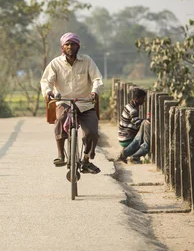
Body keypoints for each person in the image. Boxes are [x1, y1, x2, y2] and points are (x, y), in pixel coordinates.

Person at [40, 32, 104, 174]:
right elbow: (46, 81)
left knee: (92, 132)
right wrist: (48, 92)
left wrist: (95, 91)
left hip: (85, 102)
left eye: (73, 44)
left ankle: (86, 159)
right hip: (64, 102)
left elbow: (97, 79)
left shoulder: (87, 61)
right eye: (67, 44)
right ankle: (61, 155)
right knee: (60, 121)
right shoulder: (55, 63)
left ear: (78, 46)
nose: (70, 47)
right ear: (62, 47)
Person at [118, 88, 150, 163]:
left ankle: (131, 155)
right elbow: (137, 123)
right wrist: (147, 120)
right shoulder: (133, 110)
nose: (144, 100)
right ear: (136, 99)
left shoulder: (129, 105)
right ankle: (129, 155)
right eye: (142, 98)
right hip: (126, 138)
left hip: (122, 135)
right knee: (144, 128)